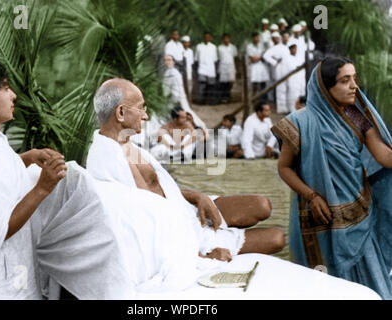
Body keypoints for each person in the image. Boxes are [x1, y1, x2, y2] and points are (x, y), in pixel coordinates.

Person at [0, 59, 133, 299]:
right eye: (5, 88)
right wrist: (42, 188)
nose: (14, 95)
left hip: (4, 274)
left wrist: (27, 158)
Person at [87, 78, 286, 263]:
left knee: (262, 205)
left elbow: (156, 189)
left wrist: (196, 197)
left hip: (188, 211)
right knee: (277, 238)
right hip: (180, 238)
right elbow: (136, 226)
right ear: (121, 113)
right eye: (141, 108)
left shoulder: (128, 145)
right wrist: (200, 257)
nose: (146, 115)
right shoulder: (106, 160)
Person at [271, 57, 392, 299]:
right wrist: (311, 195)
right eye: (345, 80)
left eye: (354, 79)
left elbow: (384, 155)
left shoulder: (356, 116)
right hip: (319, 217)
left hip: (359, 214)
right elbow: (284, 168)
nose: (354, 86)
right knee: (323, 283)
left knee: (372, 284)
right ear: (326, 87)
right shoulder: (300, 122)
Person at [162, 55, 206, 129]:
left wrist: (175, 98)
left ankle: (199, 125)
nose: (167, 62)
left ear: (173, 61)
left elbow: (177, 88)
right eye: (165, 60)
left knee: (186, 111)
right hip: (171, 97)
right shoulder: (167, 72)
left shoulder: (174, 72)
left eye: (169, 60)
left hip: (177, 97)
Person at [263, 32, 291, 113]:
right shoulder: (277, 47)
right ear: (282, 38)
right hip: (280, 68)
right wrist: (275, 62)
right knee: (281, 88)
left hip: (289, 69)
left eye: (287, 37)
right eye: (284, 37)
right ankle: (282, 108)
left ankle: (289, 107)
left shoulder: (290, 46)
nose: (286, 39)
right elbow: (266, 55)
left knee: (290, 88)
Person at [195, 32, 218, 104]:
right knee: (202, 85)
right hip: (202, 68)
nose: (207, 38)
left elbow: (215, 60)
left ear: (211, 38)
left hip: (211, 69)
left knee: (211, 86)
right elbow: (196, 59)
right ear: (203, 37)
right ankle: (202, 100)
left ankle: (210, 100)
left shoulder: (213, 47)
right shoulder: (199, 46)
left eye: (208, 37)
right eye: (205, 37)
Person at [247, 32, 270, 101]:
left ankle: (263, 99)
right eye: (255, 37)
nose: (257, 39)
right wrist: (261, 57)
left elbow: (264, 56)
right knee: (255, 84)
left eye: (258, 37)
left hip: (262, 66)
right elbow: (252, 59)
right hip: (254, 67)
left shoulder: (261, 46)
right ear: (252, 38)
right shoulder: (249, 46)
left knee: (263, 84)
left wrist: (259, 57)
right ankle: (254, 99)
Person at [217, 33, 238, 103]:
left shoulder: (233, 47)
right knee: (223, 83)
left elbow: (235, 57)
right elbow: (218, 58)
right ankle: (223, 97)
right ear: (222, 40)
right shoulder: (219, 48)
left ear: (230, 39)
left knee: (230, 82)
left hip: (231, 66)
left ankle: (228, 95)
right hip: (222, 66)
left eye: (227, 38)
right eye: (224, 39)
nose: (226, 40)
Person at [285, 41, 304, 113]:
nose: (294, 50)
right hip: (292, 79)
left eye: (295, 48)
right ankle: (292, 111)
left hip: (300, 79)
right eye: (292, 48)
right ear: (290, 49)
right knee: (292, 95)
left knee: (300, 96)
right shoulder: (287, 58)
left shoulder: (299, 57)